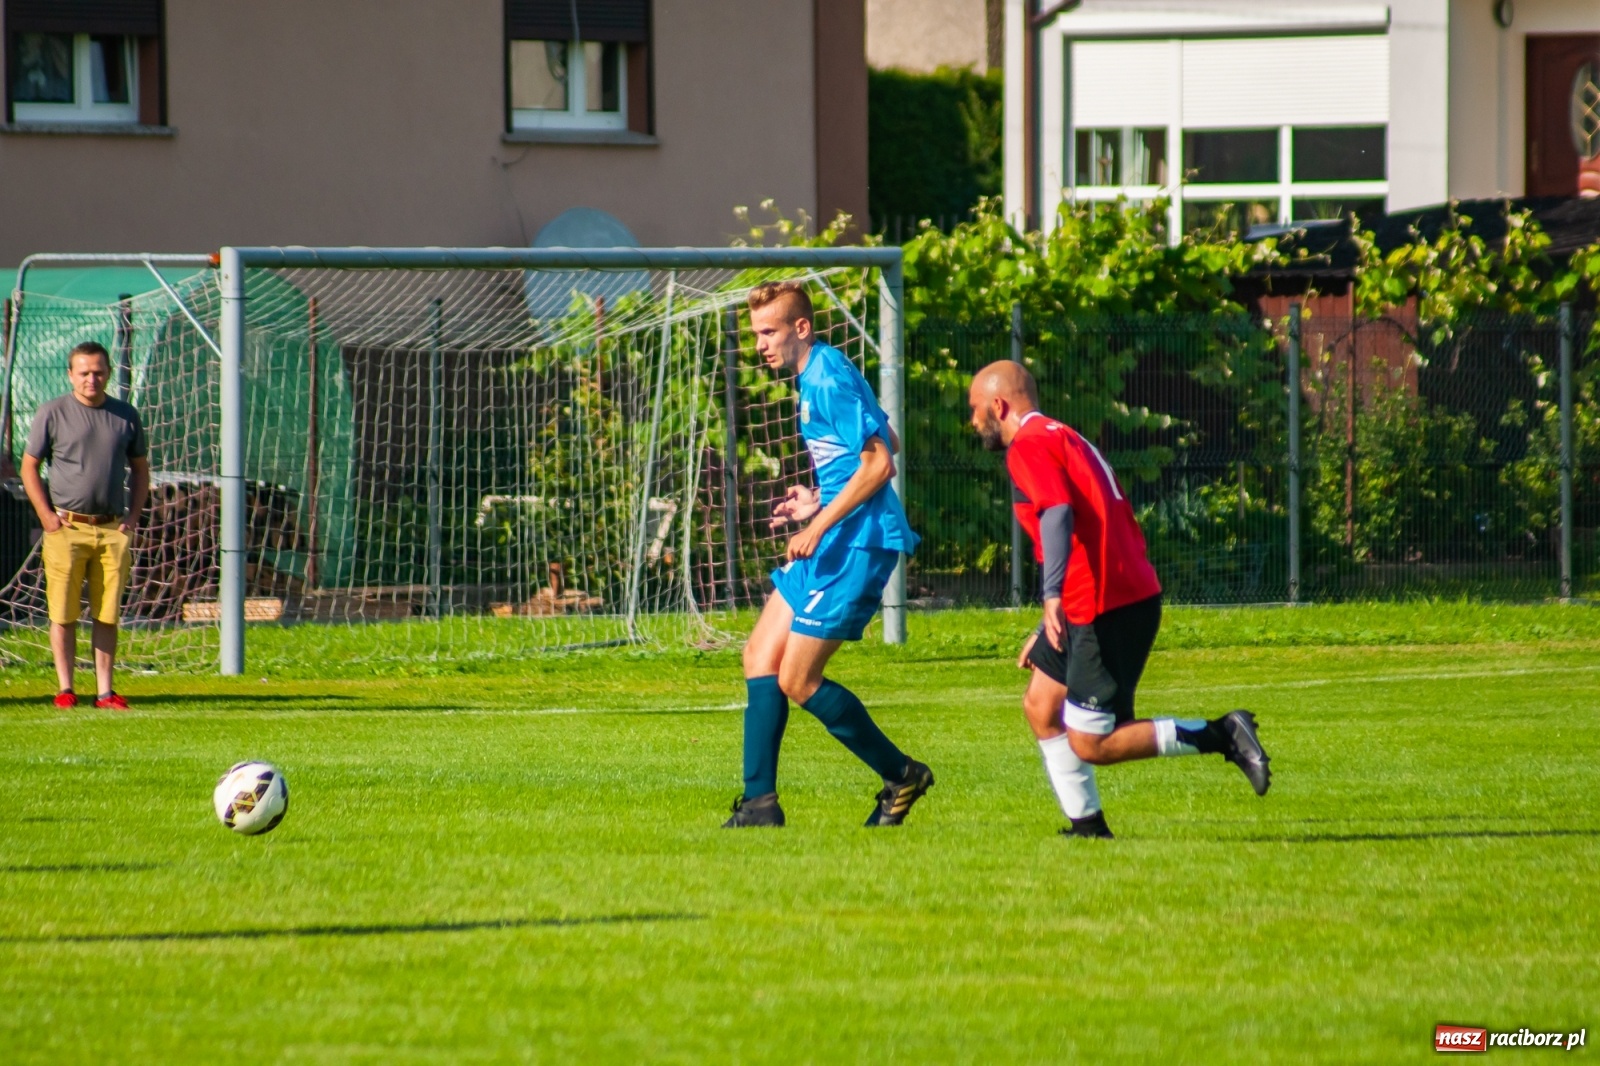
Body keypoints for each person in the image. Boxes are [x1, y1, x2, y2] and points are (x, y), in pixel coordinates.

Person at [967, 361, 1269, 838]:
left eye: (975, 409)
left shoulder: (1027, 444)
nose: (973, 421)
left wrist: (1050, 596)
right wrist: (1052, 611)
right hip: (1098, 595)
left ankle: (1223, 734)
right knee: (1042, 705)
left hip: (1106, 605)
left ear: (998, 406)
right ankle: (1087, 828)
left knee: (1092, 742)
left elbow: (1059, 514)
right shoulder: (1062, 434)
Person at [724, 281, 933, 828]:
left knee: (797, 681)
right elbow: (885, 439)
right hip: (837, 533)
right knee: (758, 657)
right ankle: (759, 805)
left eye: (769, 332)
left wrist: (819, 522)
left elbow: (881, 463)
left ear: (801, 328)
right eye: (756, 334)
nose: (761, 344)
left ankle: (901, 774)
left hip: (855, 547)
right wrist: (816, 499)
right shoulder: (822, 371)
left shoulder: (826, 376)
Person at [21, 341, 149, 710]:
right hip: (66, 528)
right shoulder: (52, 412)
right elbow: (30, 465)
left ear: (108, 373)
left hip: (112, 529)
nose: (91, 379)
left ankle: (105, 692)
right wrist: (47, 517)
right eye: (84, 372)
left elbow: (140, 469)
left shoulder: (126, 414)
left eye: (98, 372)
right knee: (63, 612)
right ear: (70, 374)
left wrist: (132, 519)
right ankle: (65, 688)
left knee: (107, 612)